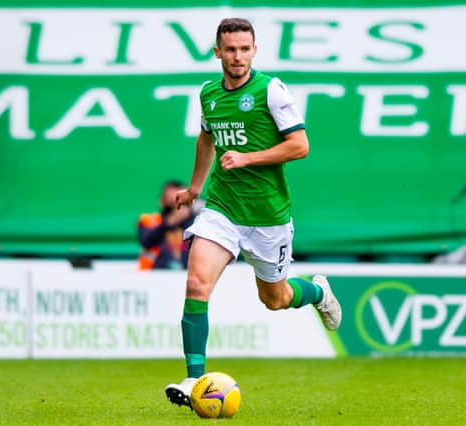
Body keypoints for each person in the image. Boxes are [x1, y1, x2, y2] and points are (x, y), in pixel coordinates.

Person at [165, 18, 342, 408]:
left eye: (245, 49)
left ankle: (316, 291)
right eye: (230, 49)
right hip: (223, 208)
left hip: (268, 217)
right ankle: (194, 379)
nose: (238, 56)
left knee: (275, 299)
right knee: (196, 284)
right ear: (217, 53)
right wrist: (196, 188)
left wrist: (249, 158)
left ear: (254, 51)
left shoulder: (271, 90)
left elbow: (300, 145)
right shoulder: (209, 93)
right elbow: (206, 137)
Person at [137, 180, 196, 270]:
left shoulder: (195, 223)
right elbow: (146, 242)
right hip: (154, 274)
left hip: (186, 274)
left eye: (179, 203)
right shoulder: (149, 220)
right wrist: (169, 222)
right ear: (161, 201)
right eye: (172, 203)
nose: (177, 208)